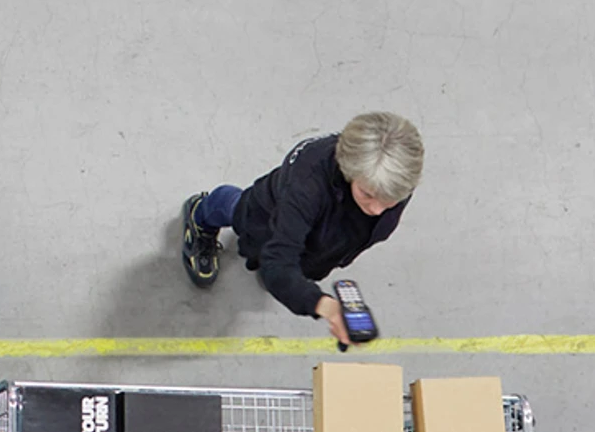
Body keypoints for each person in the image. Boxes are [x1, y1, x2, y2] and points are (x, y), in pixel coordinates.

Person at [179, 113, 423, 347]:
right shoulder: (307, 184)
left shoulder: (398, 179)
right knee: (237, 210)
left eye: (390, 200)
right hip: (269, 217)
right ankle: (201, 212)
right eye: (367, 194)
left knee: (288, 274)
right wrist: (325, 306)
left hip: (323, 245)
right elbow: (278, 262)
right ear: (348, 171)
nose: (378, 209)